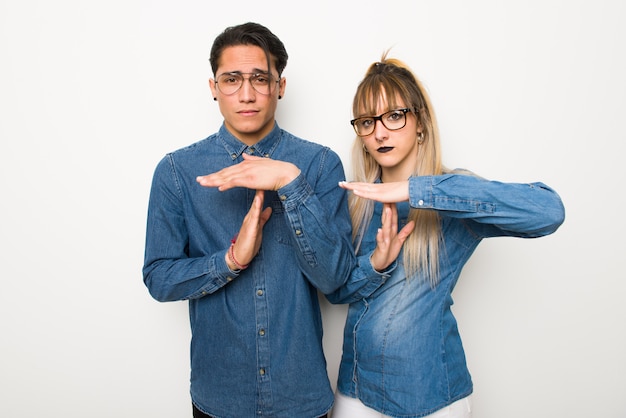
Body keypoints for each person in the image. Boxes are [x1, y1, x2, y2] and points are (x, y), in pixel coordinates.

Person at [326, 54, 565, 418]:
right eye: (366, 121)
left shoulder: (455, 193)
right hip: (356, 391)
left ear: (419, 122)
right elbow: (336, 290)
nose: (379, 132)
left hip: (431, 395)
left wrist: (417, 191)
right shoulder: (357, 200)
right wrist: (377, 263)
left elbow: (548, 212)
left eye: (393, 116)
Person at [142, 22, 355, 418]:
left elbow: (334, 278)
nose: (246, 94)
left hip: (301, 397)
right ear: (213, 88)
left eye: (260, 78)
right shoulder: (176, 171)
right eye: (231, 79)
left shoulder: (319, 164)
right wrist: (230, 262)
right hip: (219, 398)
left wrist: (291, 183)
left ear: (280, 86)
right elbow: (159, 277)